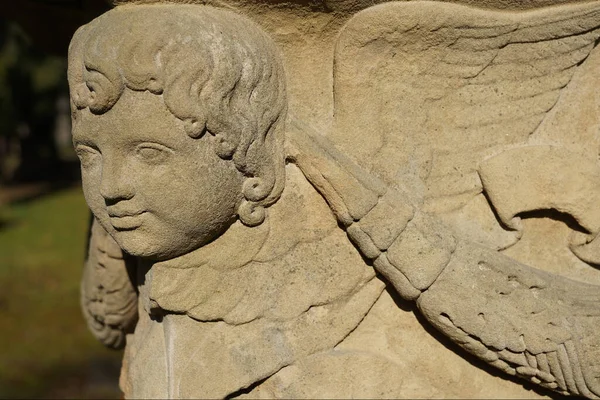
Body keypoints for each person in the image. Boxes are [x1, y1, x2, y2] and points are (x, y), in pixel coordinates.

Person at [69, 3, 600, 398]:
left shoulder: (348, 219)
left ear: (246, 155)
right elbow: (108, 320)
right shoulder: (151, 257)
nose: (112, 186)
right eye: (90, 155)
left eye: (150, 153)